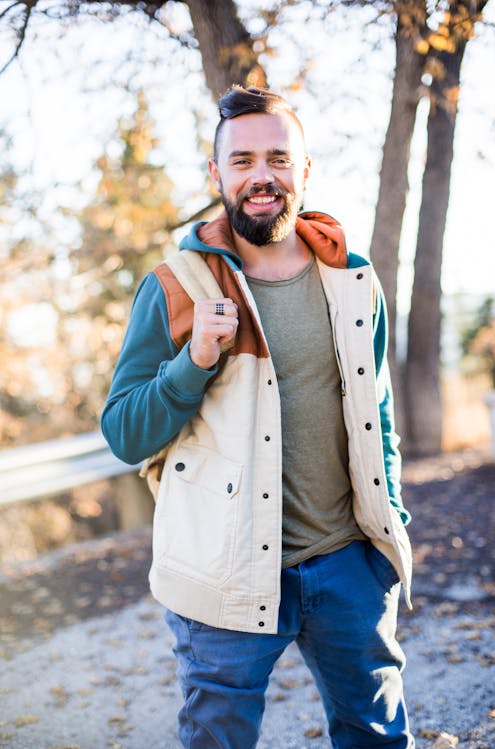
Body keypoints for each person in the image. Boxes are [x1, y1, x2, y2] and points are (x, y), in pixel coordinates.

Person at [102, 86, 414, 748]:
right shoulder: (176, 286)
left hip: (346, 568)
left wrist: (386, 540)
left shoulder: (353, 278)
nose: (261, 175)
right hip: (224, 578)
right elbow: (125, 432)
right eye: (242, 160)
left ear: (304, 170)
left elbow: (376, 412)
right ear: (216, 175)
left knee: (378, 737)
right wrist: (195, 360)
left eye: (278, 157)